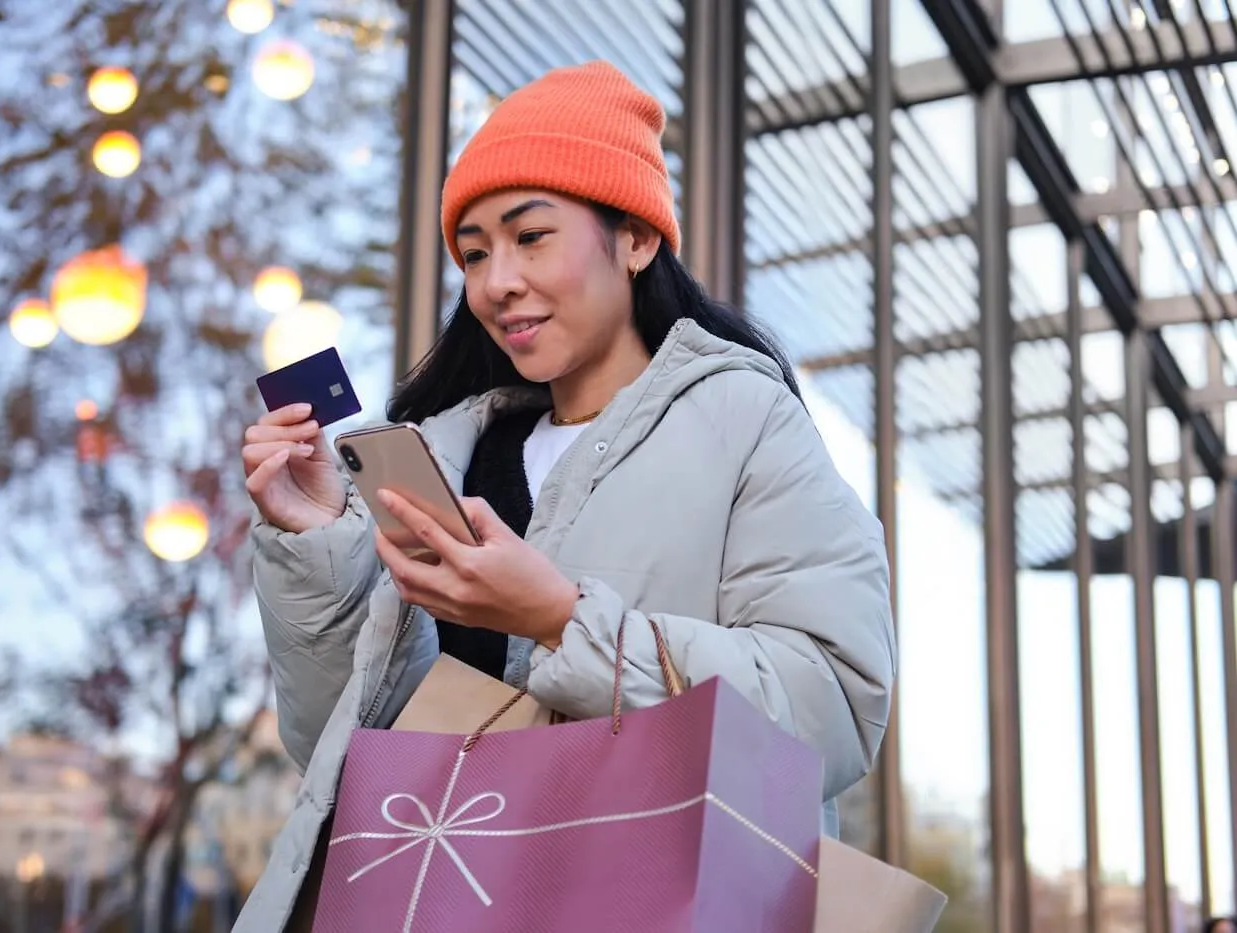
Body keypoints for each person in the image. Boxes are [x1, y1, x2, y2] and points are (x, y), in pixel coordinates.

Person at [235, 60, 896, 931]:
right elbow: (343, 750)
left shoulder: (745, 418)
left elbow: (835, 712)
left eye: (530, 236)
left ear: (636, 239)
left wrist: (563, 619)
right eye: (473, 252)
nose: (495, 281)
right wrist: (323, 547)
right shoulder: (447, 451)